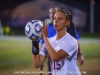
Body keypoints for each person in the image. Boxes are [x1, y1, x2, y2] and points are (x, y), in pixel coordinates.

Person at [32, 9, 81, 75]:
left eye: (60, 19)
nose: (56, 21)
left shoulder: (71, 41)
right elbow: (37, 64)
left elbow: (55, 57)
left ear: (67, 22)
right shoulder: (50, 41)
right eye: (55, 18)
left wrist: (45, 37)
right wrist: (34, 41)